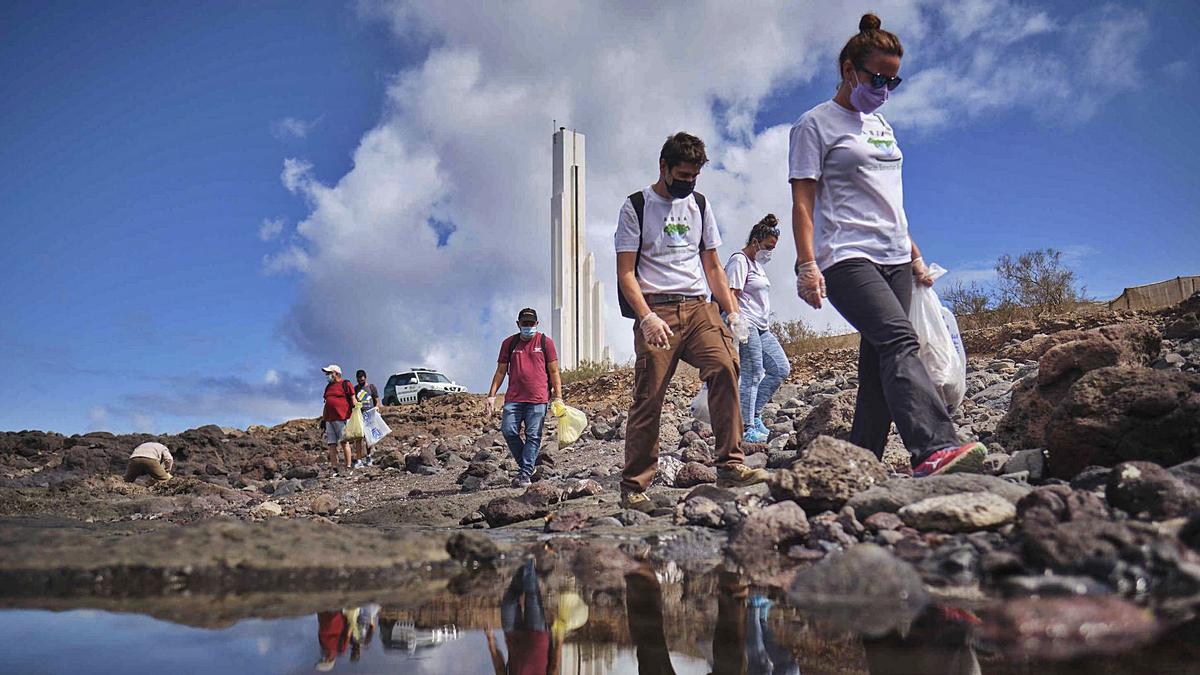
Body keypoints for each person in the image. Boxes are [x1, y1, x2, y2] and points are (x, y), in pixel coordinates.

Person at [787, 13, 985, 477]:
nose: (884, 89)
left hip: (895, 255)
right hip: (846, 257)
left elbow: (889, 200)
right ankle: (934, 446)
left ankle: (859, 464)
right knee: (900, 339)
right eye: (878, 77)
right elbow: (802, 202)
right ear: (849, 70)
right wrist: (806, 264)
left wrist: (915, 255)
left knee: (878, 363)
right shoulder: (814, 125)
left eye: (893, 82)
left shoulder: (882, 127)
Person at [614, 131, 769, 513]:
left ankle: (730, 465)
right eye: (681, 176)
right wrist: (645, 316)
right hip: (656, 311)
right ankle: (634, 486)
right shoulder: (635, 206)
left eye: (693, 177)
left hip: (699, 307)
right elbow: (625, 273)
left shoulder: (699, 204)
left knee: (724, 366)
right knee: (649, 395)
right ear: (663, 166)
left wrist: (731, 309)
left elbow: (713, 265)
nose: (687, 184)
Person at [725, 214, 791, 444]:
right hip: (746, 323)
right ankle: (745, 426)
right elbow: (730, 294)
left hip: (762, 327)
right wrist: (737, 323)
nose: (769, 252)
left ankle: (754, 413)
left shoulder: (757, 265)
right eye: (767, 247)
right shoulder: (739, 261)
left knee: (780, 368)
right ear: (755, 242)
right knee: (753, 374)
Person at [485, 308, 563, 487]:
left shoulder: (545, 342)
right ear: (518, 324)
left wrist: (558, 397)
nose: (528, 327)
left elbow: (554, 371)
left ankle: (525, 474)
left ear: (536, 324)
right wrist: (491, 396)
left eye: (531, 323)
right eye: (524, 324)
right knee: (508, 431)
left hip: (538, 398)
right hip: (514, 398)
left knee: (533, 436)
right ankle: (527, 467)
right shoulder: (509, 343)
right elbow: (501, 371)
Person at [485, 560, 562, 675]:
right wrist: (559, 640)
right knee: (530, 594)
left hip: (519, 637)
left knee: (512, 599)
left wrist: (491, 641)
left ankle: (523, 561)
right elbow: (554, 667)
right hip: (535, 637)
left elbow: (500, 669)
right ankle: (527, 556)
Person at [321, 364, 356, 475]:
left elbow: (353, 398)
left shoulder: (346, 384)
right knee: (332, 444)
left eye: (329, 373)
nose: (327, 375)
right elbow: (326, 403)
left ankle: (348, 466)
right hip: (329, 419)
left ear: (335, 373)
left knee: (344, 442)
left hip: (341, 417)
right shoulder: (328, 387)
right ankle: (334, 467)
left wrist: (356, 412)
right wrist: (323, 418)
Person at [352, 369, 381, 466]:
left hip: (370, 414)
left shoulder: (371, 387)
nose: (361, 382)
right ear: (356, 379)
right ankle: (359, 459)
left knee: (369, 437)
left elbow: (377, 400)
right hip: (359, 415)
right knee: (359, 438)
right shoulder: (355, 389)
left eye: (362, 380)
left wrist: (377, 407)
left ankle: (369, 456)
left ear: (365, 378)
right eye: (359, 380)